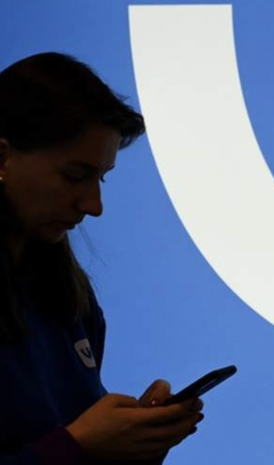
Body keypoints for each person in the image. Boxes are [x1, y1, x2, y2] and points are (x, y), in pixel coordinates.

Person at [0, 52, 204, 464]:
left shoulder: (68, 296)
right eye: (75, 176)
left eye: (101, 178)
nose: (94, 205)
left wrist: (131, 442)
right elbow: (68, 445)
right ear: (3, 157)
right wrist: (78, 446)